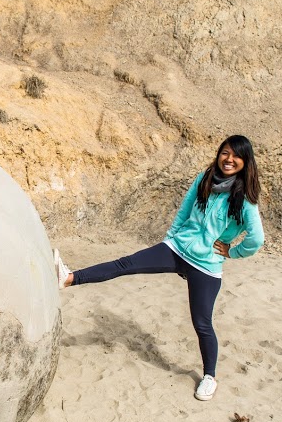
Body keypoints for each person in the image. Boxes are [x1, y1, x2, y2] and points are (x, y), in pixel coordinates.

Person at [54, 135, 264, 401]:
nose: (229, 159)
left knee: (202, 323)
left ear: (246, 162)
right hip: (177, 249)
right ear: (218, 154)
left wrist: (232, 251)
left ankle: (209, 377)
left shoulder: (245, 198)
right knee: (126, 264)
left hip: (206, 265)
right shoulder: (205, 178)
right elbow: (184, 211)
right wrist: (170, 240)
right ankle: (70, 277)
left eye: (236, 156)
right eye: (225, 153)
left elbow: (256, 239)